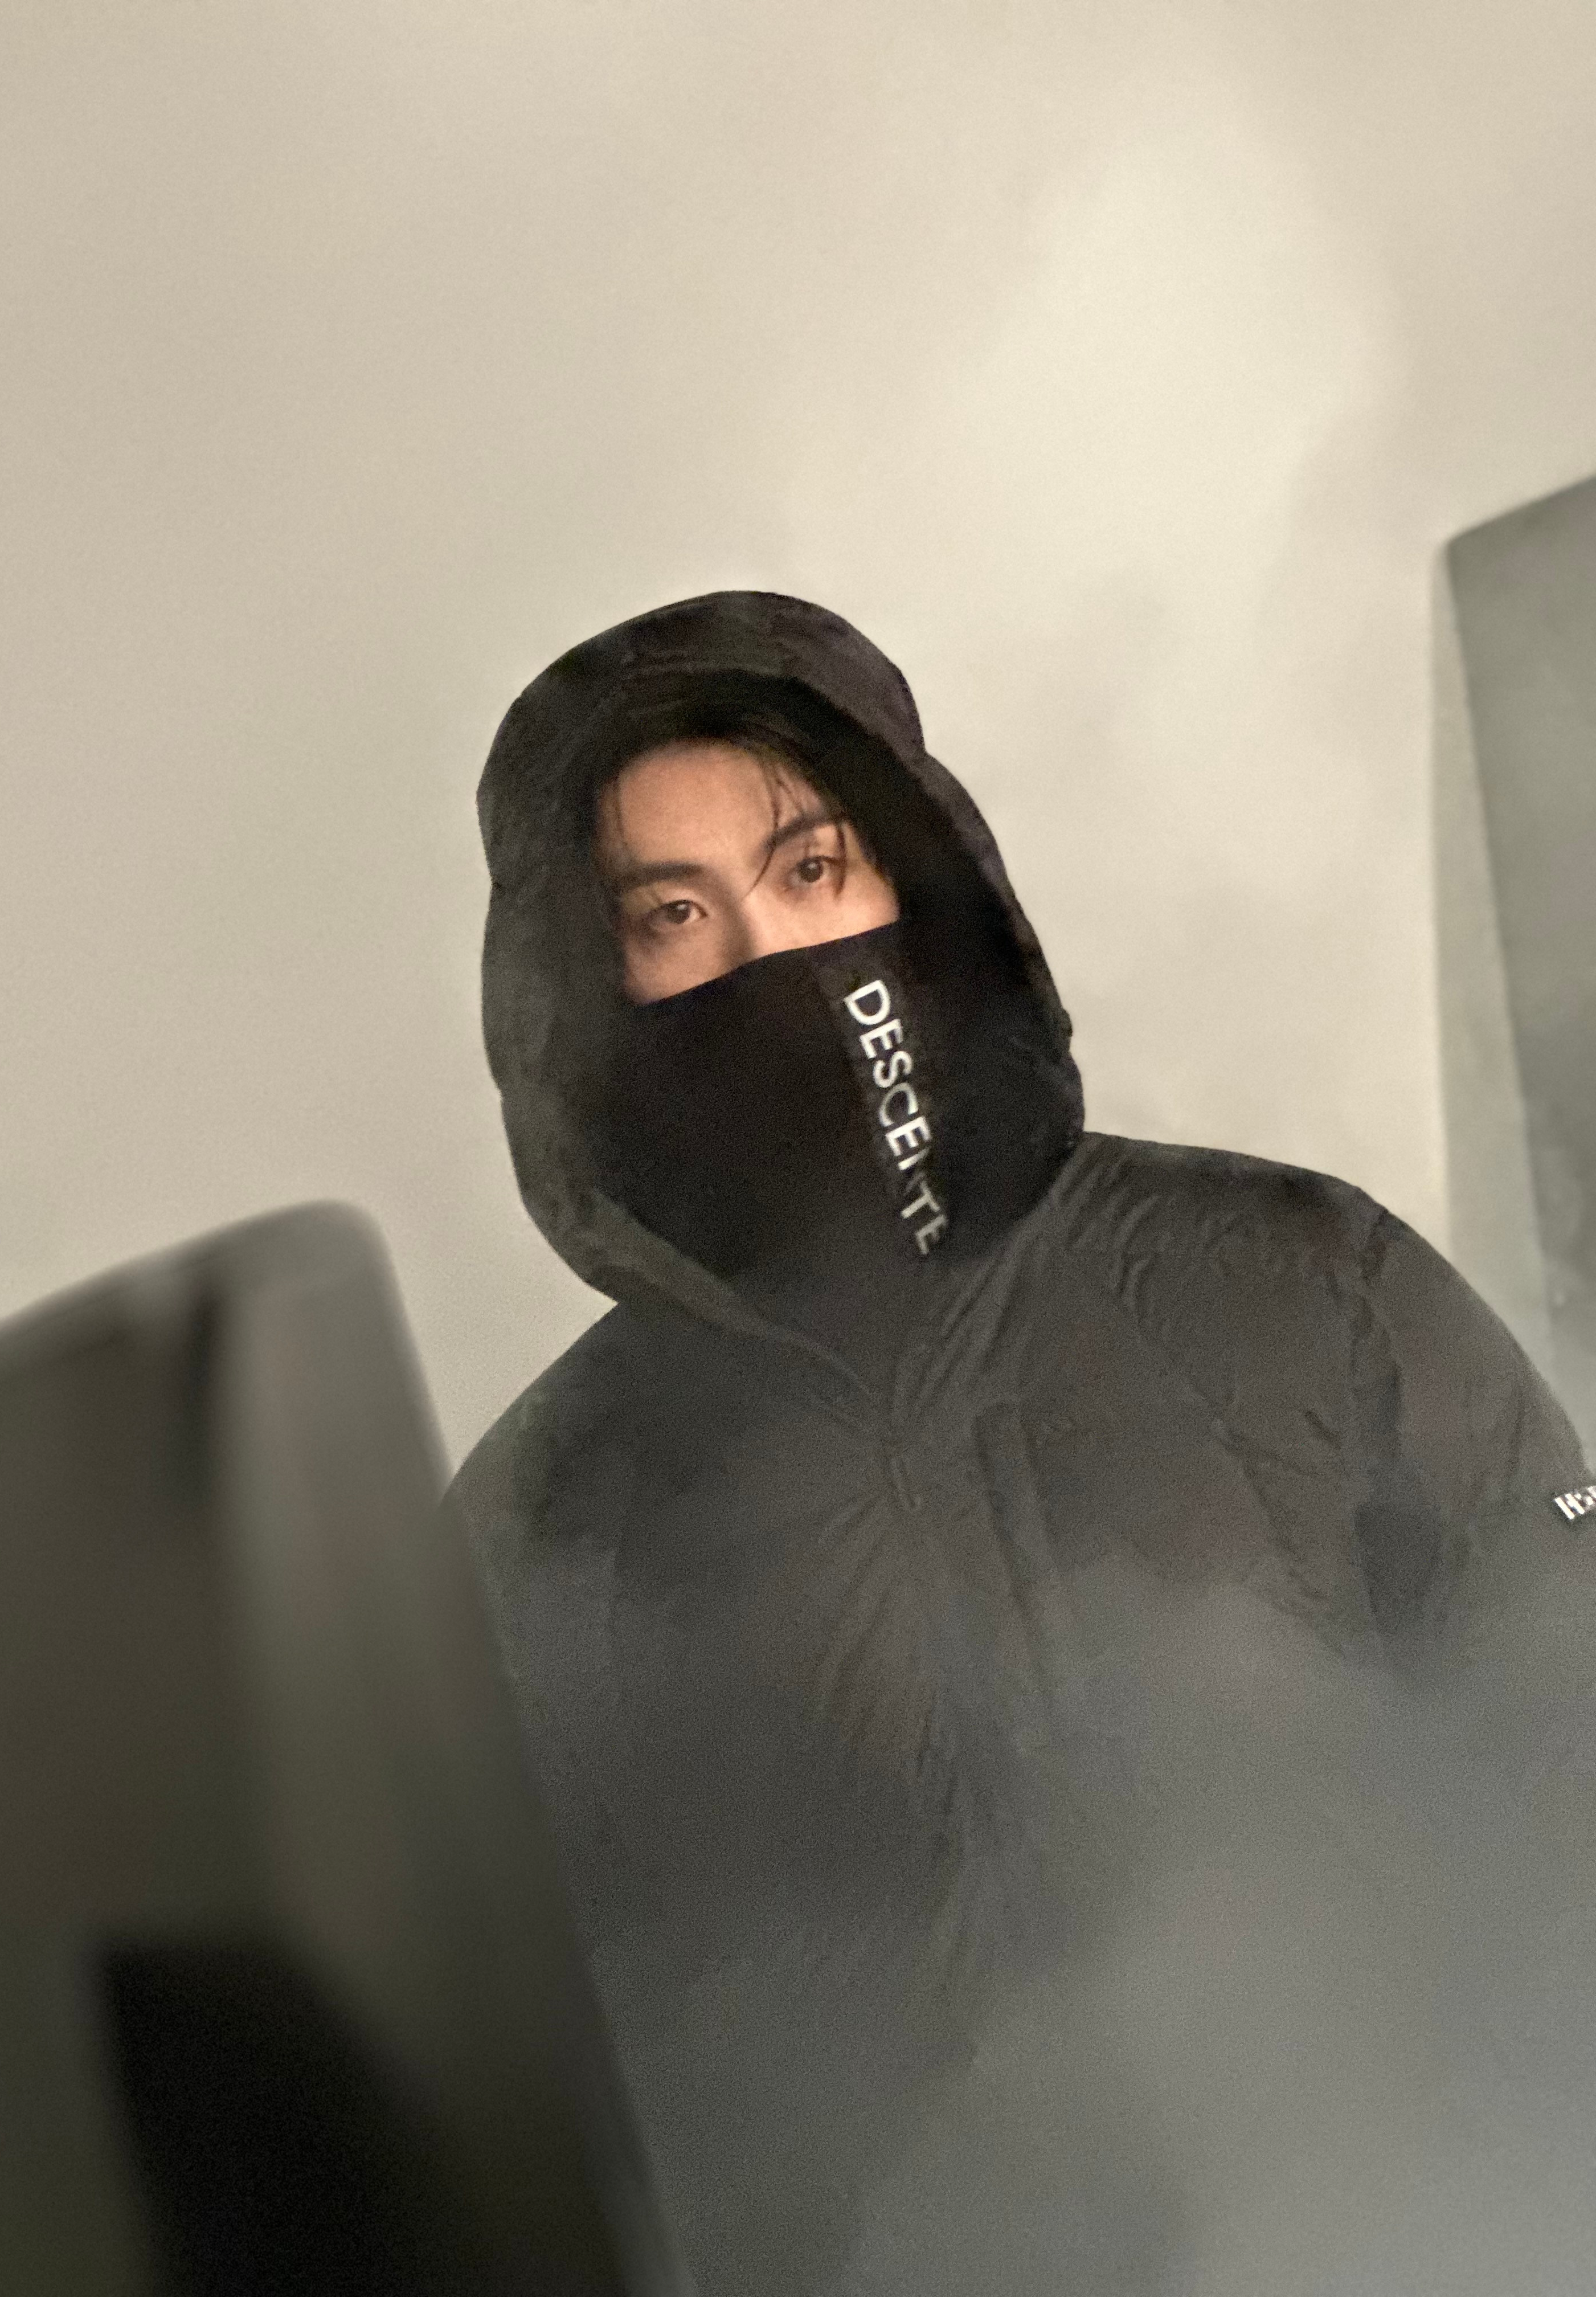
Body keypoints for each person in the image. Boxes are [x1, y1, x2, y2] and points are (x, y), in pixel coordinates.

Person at [451, 590, 1587, 2296]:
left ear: (915, 876)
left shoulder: (1299, 1282)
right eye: (676, 914)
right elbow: (519, 2129)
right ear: (593, 983)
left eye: (811, 869)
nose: (765, 953)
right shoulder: (544, 1526)